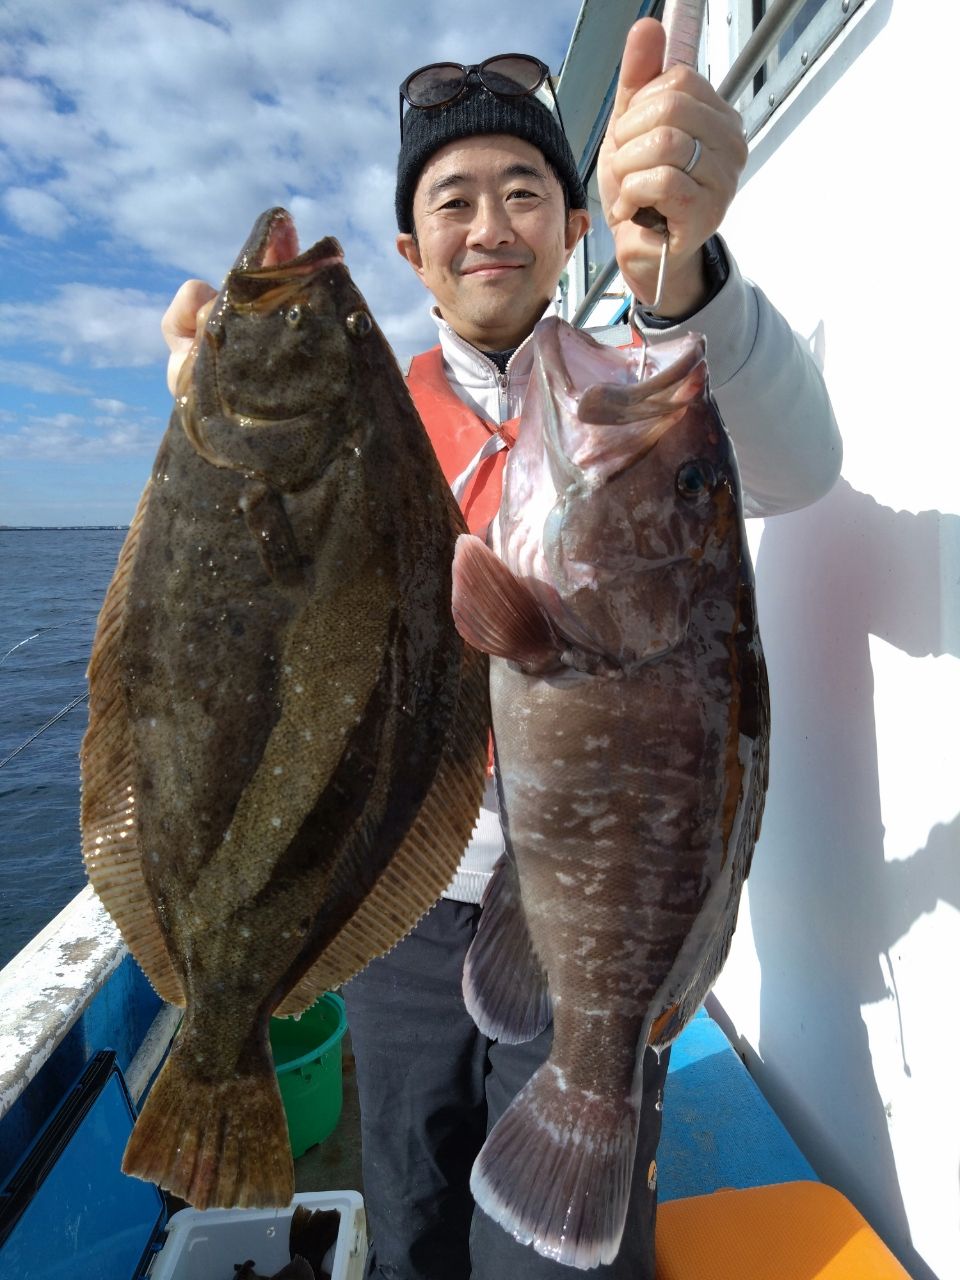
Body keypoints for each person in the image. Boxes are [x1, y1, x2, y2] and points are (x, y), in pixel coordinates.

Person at [161, 19, 841, 1280]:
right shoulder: (366, 416)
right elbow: (268, 626)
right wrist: (226, 444)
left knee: (554, 1260)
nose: (490, 224)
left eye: (526, 191)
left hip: (589, 905)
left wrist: (687, 270)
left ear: (576, 229)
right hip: (400, 899)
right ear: (412, 252)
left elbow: (801, 466)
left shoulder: (643, 384)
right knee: (409, 1202)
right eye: (453, 199)